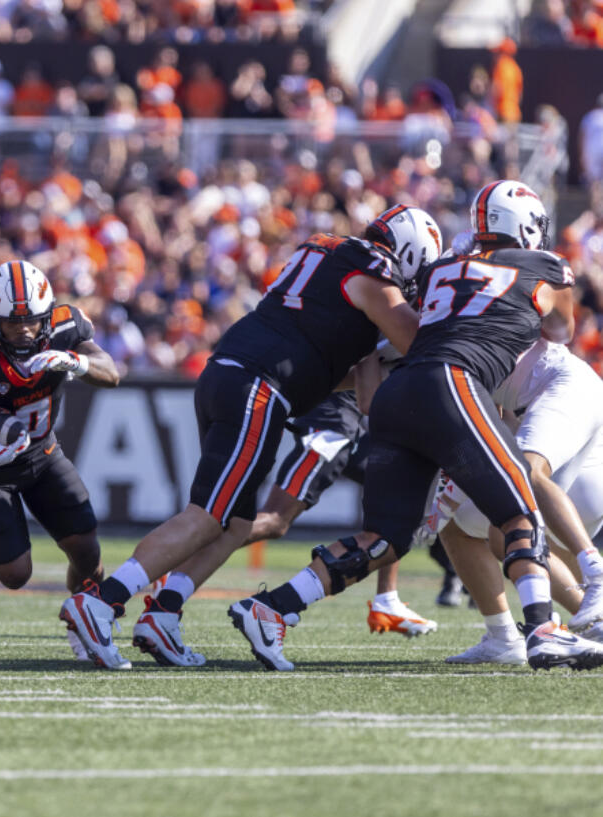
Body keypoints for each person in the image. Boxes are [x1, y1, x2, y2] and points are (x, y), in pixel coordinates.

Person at [228, 181, 603, 672]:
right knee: (517, 509)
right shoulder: (543, 265)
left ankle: (271, 607)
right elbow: (562, 330)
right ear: (528, 226)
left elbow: (376, 370)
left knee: (384, 538)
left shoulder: (441, 272)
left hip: (396, 395)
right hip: (452, 383)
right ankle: (542, 629)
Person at [60, 205, 441, 670]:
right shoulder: (372, 270)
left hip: (235, 374)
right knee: (208, 515)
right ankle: (102, 600)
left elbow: (360, 396)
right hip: (258, 387)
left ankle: (163, 611)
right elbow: (420, 343)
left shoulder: (333, 259)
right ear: (407, 254)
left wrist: (382, 359)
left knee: (236, 522)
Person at [0, 261, 120, 661]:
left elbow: (111, 373)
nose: (24, 330)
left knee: (87, 548)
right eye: (12, 323)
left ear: (47, 314)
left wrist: (75, 363)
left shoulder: (67, 327)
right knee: (15, 575)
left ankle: (86, 618)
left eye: (32, 320)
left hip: (43, 452)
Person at [433, 334, 603, 664]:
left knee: (509, 513)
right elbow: (494, 427)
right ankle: (522, 634)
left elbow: (560, 322)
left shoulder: (452, 334)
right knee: (474, 525)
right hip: (581, 460)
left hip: (565, 405)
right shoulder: (472, 324)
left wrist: (446, 499)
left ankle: (593, 582)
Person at [245, 391, 445, 635]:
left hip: (347, 419)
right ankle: (187, 563)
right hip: (332, 422)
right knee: (274, 519)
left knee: (400, 488)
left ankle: (387, 600)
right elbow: (366, 376)